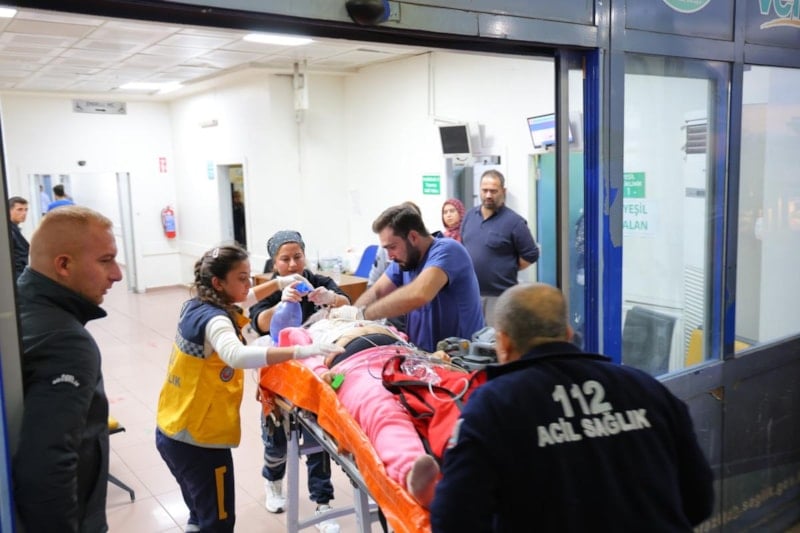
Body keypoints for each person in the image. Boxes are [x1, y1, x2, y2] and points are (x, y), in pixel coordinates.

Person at [430, 283, 715, 532]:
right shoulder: (647, 389)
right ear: (567, 333)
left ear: (502, 342)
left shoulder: (492, 408)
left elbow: (455, 520)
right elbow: (699, 500)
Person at [155, 244, 342, 532]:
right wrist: (301, 351)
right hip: (199, 441)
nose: (248, 283)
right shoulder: (216, 320)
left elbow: (246, 297)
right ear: (218, 283)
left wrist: (279, 283)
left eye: (249, 276)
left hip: (172, 428)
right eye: (242, 278)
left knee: (199, 515)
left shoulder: (198, 305)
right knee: (218, 523)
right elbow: (237, 355)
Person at [12, 206, 124, 532]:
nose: (117, 274)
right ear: (63, 265)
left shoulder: (18, 306)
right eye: (105, 260)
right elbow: (46, 465)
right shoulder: (66, 343)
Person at [248, 230, 350, 531]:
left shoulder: (318, 281)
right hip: (280, 377)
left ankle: (322, 503)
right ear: (274, 262)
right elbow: (258, 322)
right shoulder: (268, 288)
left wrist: (331, 298)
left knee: (318, 439)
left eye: (298, 256)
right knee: (276, 441)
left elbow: (347, 304)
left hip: (314, 373)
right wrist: (280, 304)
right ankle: (273, 481)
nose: (292, 264)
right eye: (285, 259)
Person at [336, 204, 485, 352]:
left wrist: (364, 314)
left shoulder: (448, 250)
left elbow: (418, 294)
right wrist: (351, 317)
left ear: (413, 237)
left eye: (392, 247)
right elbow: (377, 291)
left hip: (460, 359)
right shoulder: (404, 261)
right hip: (425, 356)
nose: (389, 256)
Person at [460, 169, 540, 325]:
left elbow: (531, 254)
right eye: (484, 190)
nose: (488, 195)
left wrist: (508, 267)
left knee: (495, 339)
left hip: (500, 296)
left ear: (503, 191)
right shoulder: (469, 216)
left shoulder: (514, 222)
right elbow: (464, 247)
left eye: (493, 191)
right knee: (470, 337)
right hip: (471, 294)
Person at [8, 196, 30, 280]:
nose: (24, 213)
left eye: (26, 210)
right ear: (9, 210)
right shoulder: (9, 232)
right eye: (19, 209)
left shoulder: (14, 229)